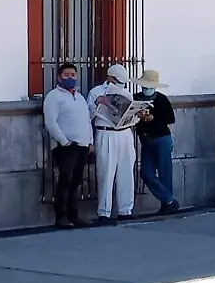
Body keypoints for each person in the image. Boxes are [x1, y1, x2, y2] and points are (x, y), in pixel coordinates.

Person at [42, 63, 94, 228]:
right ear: (59, 77)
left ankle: (74, 215)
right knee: (65, 180)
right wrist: (64, 141)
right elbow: (50, 122)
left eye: (73, 74)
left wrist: (90, 142)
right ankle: (61, 217)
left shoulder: (79, 97)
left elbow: (86, 120)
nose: (70, 78)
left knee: (77, 180)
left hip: (82, 145)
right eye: (66, 75)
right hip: (66, 146)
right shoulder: (54, 96)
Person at [87, 64, 137, 224]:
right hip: (105, 132)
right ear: (109, 78)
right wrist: (98, 103)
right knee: (106, 173)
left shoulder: (127, 93)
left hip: (124, 133)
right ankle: (104, 212)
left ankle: (125, 209)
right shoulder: (96, 92)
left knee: (126, 172)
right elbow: (88, 115)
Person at [133, 70, 179, 215]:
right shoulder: (136, 98)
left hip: (161, 139)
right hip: (146, 140)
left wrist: (153, 119)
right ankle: (169, 199)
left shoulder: (161, 100)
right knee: (146, 173)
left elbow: (170, 119)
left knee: (165, 172)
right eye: (144, 86)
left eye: (149, 86)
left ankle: (166, 203)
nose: (146, 89)